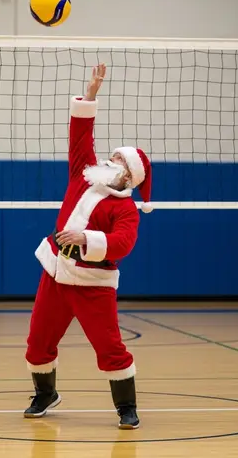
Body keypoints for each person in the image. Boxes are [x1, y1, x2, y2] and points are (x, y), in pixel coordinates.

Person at [24, 64, 153, 430]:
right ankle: (45, 393)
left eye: (117, 160)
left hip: (94, 284)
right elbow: (80, 135)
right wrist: (91, 95)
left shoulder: (125, 208)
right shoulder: (83, 174)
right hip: (56, 273)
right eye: (111, 156)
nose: (108, 160)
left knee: (111, 349)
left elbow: (123, 244)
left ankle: (126, 407)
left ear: (128, 176)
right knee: (38, 343)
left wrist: (87, 239)